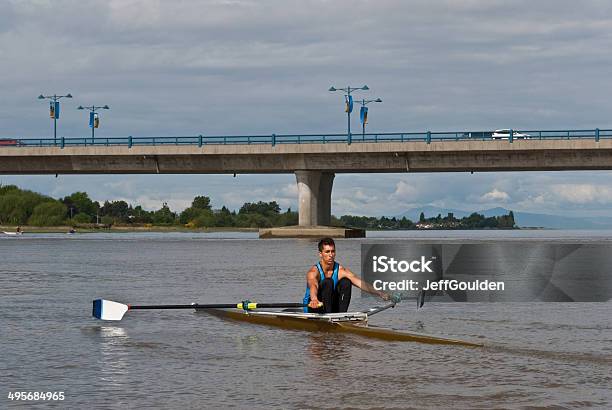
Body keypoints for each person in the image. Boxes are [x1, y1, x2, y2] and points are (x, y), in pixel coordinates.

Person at [303, 237, 394, 313]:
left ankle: (342, 315)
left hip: (331, 309)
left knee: (346, 282)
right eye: (327, 252)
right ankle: (328, 317)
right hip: (314, 308)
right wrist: (314, 299)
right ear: (320, 254)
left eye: (333, 251)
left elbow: (360, 283)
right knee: (328, 282)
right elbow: (313, 285)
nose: (331, 255)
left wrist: (380, 293)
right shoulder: (313, 272)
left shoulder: (341, 271)